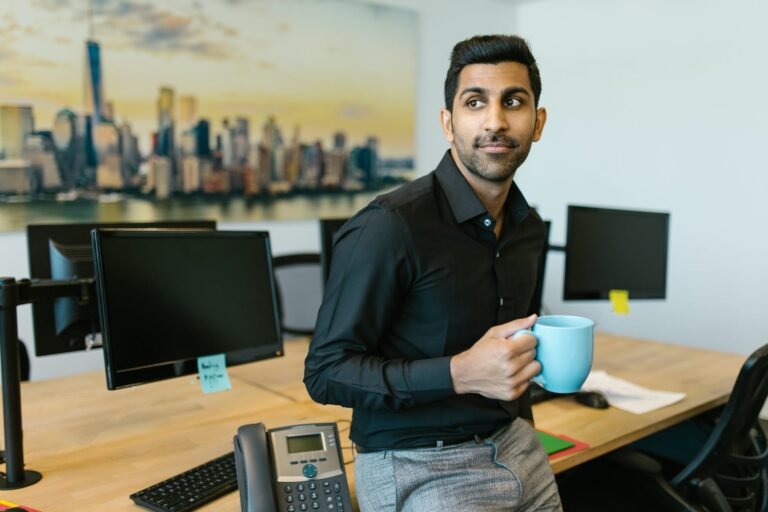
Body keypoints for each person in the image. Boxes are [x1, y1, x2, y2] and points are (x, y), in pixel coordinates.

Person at [304, 34, 561, 511]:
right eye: (475, 102)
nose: (495, 121)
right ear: (449, 123)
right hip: (417, 463)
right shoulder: (390, 226)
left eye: (514, 101)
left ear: (538, 122)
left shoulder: (530, 229)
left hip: (518, 445)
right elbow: (325, 373)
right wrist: (459, 372)